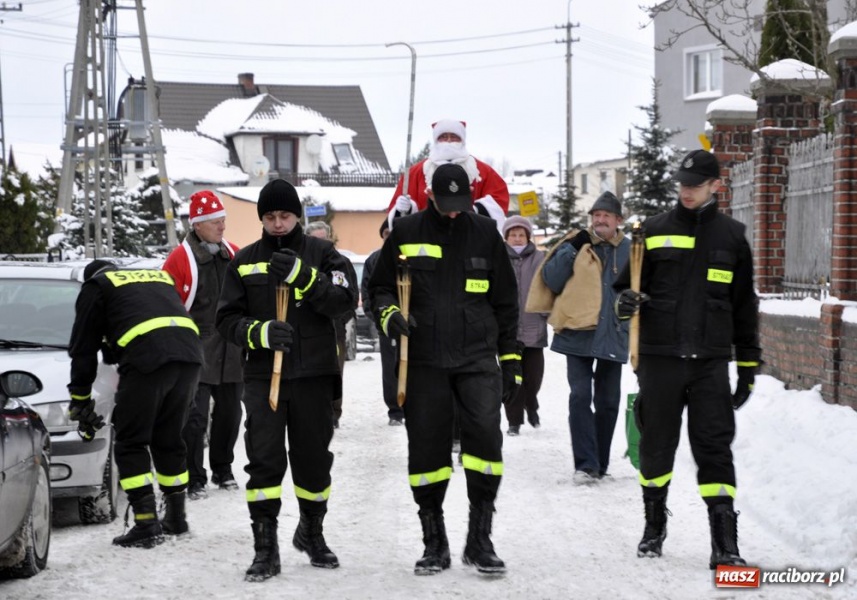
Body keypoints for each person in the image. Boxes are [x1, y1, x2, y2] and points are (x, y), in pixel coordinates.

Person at [368, 163, 520, 576]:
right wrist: (388, 315)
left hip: (476, 359)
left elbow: (506, 302)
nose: (454, 212)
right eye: (446, 203)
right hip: (423, 361)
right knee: (428, 452)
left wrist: (511, 360)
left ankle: (480, 538)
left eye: (461, 204)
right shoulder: (406, 231)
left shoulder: (486, 233)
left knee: (486, 447)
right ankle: (434, 542)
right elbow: (378, 288)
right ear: (430, 196)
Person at [613, 149, 761, 569]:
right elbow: (623, 288)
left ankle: (724, 543)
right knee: (657, 443)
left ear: (716, 185)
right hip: (660, 357)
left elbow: (743, 305)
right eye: (683, 184)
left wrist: (748, 365)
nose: (687, 192)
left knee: (714, 447)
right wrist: (625, 303)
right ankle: (653, 526)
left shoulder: (732, 237)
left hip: (710, 360)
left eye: (695, 185)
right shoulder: (653, 231)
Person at [216, 179, 357, 582]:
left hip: (313, 373)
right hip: (263, 376)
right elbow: (225, 320)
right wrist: (258, 333)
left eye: (285, 215)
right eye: (270, 216)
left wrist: (306, 278)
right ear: (262, 218)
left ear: (297, 215)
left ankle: (312, 532)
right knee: (264, 460)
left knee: (314, 461)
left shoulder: (324, 254)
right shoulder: (243, 261)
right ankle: (265, 547)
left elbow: (345, 303)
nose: (278, 224)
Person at [67, 260, 203, 548]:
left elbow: (83, 347)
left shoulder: (96, 286)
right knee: (168, 439)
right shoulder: (155, 278)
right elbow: (136, 323)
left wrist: (80, 398)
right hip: (189, 355)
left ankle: (146, 523)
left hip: (149, 359)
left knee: (130, 441)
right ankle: (176, 519)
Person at [536, 192, 630, 484]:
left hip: (612, 333)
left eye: (606, 216)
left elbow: (644, 286)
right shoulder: (576, 243)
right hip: (577, 332)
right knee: (580, 396)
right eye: (596, 215)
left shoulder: (630, 250)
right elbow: (551, 279)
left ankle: (600, 464)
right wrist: (571, 249)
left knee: (609, 401)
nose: (600, 221)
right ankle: (585, 465)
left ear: (618, 221)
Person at [162, 190, 243, 501]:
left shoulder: (233, 253)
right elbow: (167, 305)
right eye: (215, 222)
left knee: (230, 414)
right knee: (194, 418)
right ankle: (195, 476)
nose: (222, 227)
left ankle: (224, 469)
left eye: (223, 221)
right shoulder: (180, 260)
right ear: (197, 225)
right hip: (196, 347)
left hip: (231, 348)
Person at [386, 119, 510, 230]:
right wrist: (404, 209)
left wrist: (475, 211)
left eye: (454, 137)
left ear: (462, 140)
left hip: (470, 235)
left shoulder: (481, 171)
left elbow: (499, 199)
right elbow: (400, 216)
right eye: (444, 137)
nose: (449, 141)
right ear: (436, 140)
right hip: (427, 235)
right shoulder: (415, 173)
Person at [305, 220, 358, 429]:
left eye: (323, 238)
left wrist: (341, 319)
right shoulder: (303, 262)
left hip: (335, 330)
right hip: (309, 330)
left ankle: (334, 413)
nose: (320, 243)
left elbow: (352, 296)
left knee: (335, 372)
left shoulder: (341, 262)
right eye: (315, 239)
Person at [501, 215, 548, 436]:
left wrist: (546, 311)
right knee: (511, 377)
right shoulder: (498, 258)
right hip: (508, 330)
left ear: (528, 237)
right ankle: (514, 420)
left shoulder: (540, 258)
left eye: (521, 235)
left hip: (534, 326)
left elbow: (549, 286)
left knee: (533, 376)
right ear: (506, 238)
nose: (517, 239)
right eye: (513, 235)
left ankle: (532, 403)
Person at [360, 219, 405, 426]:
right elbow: (368, 292)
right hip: (388, 326)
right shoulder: (374, 260)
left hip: (414, 326)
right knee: (390, 369)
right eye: (386, 233)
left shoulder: (409, 257)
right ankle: (395, 410)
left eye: (393, 233)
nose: (390, 237)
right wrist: (378, 317)